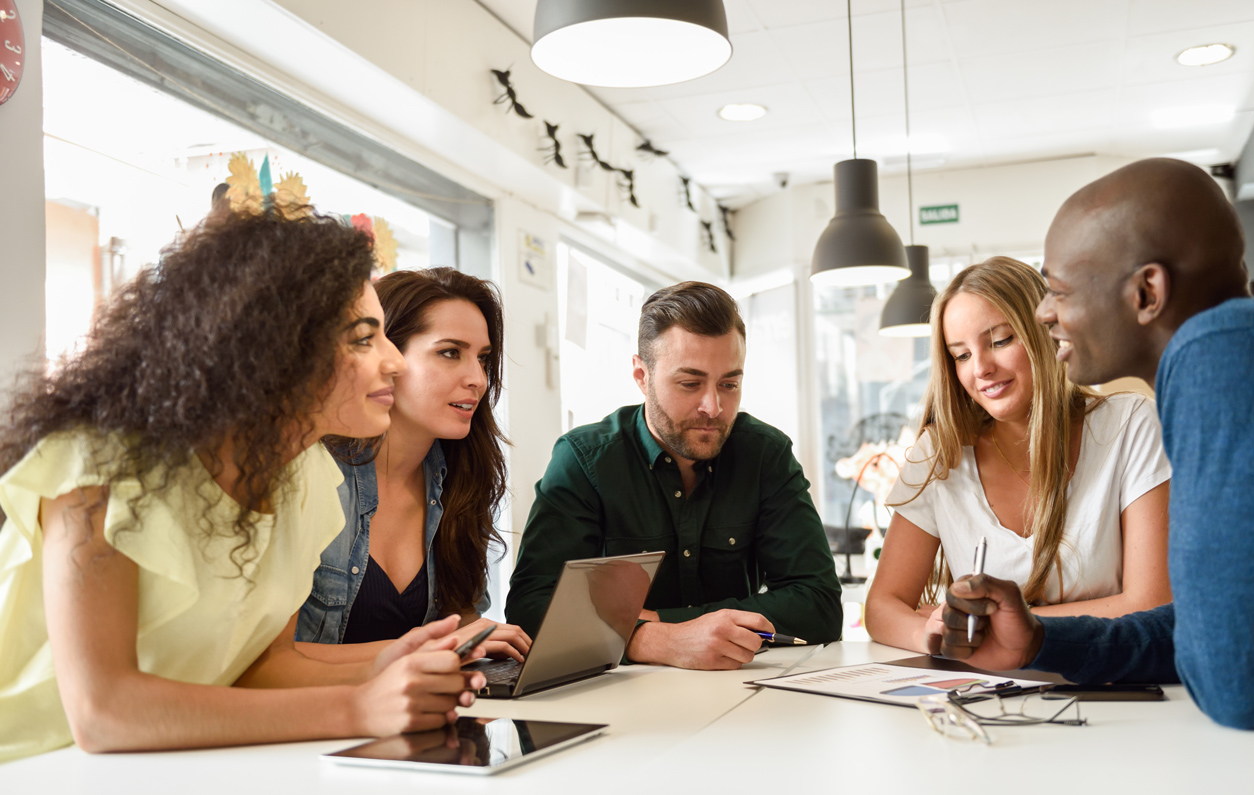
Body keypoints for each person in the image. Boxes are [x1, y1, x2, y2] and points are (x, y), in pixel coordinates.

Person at [0, 208, 488, 762]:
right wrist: (359, 708)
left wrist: (389, 664)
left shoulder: (307, 477)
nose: (395, 363)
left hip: (167, 765)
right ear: (275, 350)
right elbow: (103, 713)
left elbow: (263, 667)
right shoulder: (96, 466)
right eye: (362, 340)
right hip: (31, 765)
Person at [937, 158, 1254, 735]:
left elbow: (1238, 686)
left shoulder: (1223, 357)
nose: (1044, 313)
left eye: (1058, 290)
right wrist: (1037, 638)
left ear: (1146, 291)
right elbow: (1206, 628)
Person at [505, 281, 841, 670]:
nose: (713, 407)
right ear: (641, 375)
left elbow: (819, 604)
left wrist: (661, 621)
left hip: (740, 697)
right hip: (620, 708)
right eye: (690, 383)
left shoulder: (765, 454)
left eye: (729, 384)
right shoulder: (585, 460)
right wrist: (654, 640)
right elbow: (531, 608)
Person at [865, 257, 1172, 654]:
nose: (981, 369)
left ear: (1043, 331)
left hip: (1108, 685)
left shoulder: (1131, 425)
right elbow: (882, 606)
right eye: (961, 355)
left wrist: (1002, 624)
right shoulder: (939, 454)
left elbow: (1152, 604)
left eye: (1000, 340)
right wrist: (926, 633)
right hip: (985, 694)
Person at [294, 268, 530, 661]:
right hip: (313, 718)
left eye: (483, 359)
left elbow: (459, 618)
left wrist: (477, 637)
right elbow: (268, 663)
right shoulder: (313, 473)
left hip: (412, 712)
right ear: (385, 356)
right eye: (450, 352)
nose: (478, 379)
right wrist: (434, 649)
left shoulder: (460, 475)